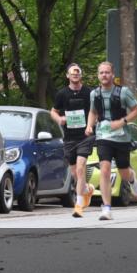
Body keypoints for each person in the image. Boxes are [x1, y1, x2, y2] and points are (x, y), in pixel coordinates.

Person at [84, 62, 137, 221]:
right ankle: (107, 208)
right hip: (103, 136)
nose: (104, 75)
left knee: (123, 171)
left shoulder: (123, 92)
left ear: (112, 74)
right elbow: (93, 111)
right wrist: (89, 125)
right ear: (98, 75)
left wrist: (122, 121)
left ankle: (132, 179)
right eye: (101, 72)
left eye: (107, 72)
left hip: (122, 137)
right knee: (105, 169)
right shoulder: (94, 94)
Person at [51, 64, 96, 217]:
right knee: (75, 172)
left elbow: (96, 111)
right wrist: (60, 119)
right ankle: (87, 189)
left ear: (81, 75)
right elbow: (54, 111)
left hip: (86, 135)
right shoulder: (62, 94)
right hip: (69, 137)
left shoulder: (89, 92)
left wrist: (91, 124)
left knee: (81, 167)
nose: (75, 75)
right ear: (67, 76)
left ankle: (78, 204)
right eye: (72, 73)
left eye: (78, 73)